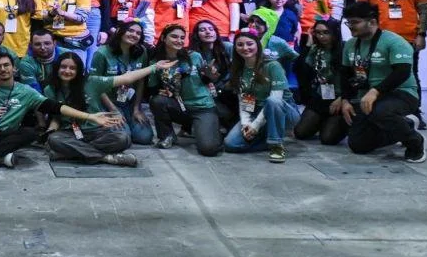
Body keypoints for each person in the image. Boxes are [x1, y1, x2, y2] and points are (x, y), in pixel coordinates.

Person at [0, 52, 117, 170]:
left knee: (30, 132)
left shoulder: (26, 92)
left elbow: (57, 107)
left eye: (6, 65)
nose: (3, 69)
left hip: (3, 135)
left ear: (14, 68)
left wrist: (90, 116)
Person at [42, 52, 174, 167]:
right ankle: (107, 158)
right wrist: (49, 131)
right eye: (63, 67)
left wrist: (154, 67)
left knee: (123, 138)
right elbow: (56, 117)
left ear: (79, 70)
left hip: (97, 132)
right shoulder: (50, 90)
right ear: (57, 68)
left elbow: (126, 78)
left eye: (72, 68)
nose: (67, 71)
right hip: (70, 132)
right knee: (54, 140)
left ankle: (72, 153)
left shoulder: (91, 82)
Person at [339, 1, 427, 163]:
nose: (350, 27)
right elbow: (345, 74)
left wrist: (375, 91)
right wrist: (345, 100)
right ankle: (405, 126)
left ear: (372, 22)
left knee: (381, 112)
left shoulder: (394, 42)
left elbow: (402, 72)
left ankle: (415, 143)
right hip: (368, 96)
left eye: (355, 22)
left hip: (401, 93)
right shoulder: (350, 45)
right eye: (348, 23)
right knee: (358, 145)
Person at [355, 0, 427, 127]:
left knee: (410, 75)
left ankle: (414, 111)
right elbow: (360, 10)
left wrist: (422, 34)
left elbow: (424, 10)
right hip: (377, 39)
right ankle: (379, 108)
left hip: (408, 38)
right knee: (377, 74)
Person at [223, 29, 300, 162]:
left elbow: (276, 98)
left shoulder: (273, 66)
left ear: (257, 45)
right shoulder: (239, 69)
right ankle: (271, 137)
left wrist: (255, 126)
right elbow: (244, 100)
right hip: (256, 110)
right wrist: (246, 123)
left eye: (249, 44)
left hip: (283, 111)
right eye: (240, 45)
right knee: (230, 144)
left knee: (273, 101)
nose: (245, 48)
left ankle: (276, 145)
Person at [147, 23, 223, 155]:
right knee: (157, 101)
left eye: (182, 38)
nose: (179, 40)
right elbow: (152, 88)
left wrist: (211, 75)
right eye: (174, 37)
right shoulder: (156, 62)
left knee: (209, 149)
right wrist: (162, 90)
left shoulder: (194, 56)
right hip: (180, 107)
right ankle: (167, 136)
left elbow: (207, 79)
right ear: (163, 38)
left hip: (202, 107)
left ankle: (209, 129)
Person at [91, 21, 154, 145]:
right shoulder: (102, 53)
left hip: (128, 102)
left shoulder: (142, 51)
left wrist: (136, 108)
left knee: (145, 137)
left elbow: (141, 82)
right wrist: (113, 110)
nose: (134, 35)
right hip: (107, 102)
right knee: (123, 137)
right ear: (120, 32)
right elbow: (95, 86)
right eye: (130, 30)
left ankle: (127, 122)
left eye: (138, 33)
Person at [293, 20, 348, 146]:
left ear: (334, 33)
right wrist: (308, 45)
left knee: (327, 139)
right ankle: (322, 121)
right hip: (321, 96)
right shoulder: (316, 49)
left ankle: (338, 123)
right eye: (318, 33)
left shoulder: (345, 49)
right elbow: (300, 69)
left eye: (326, 32)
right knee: (300, 133)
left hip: (340, 98)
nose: (321, 36)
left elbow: (353, 79)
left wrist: (343, 98)